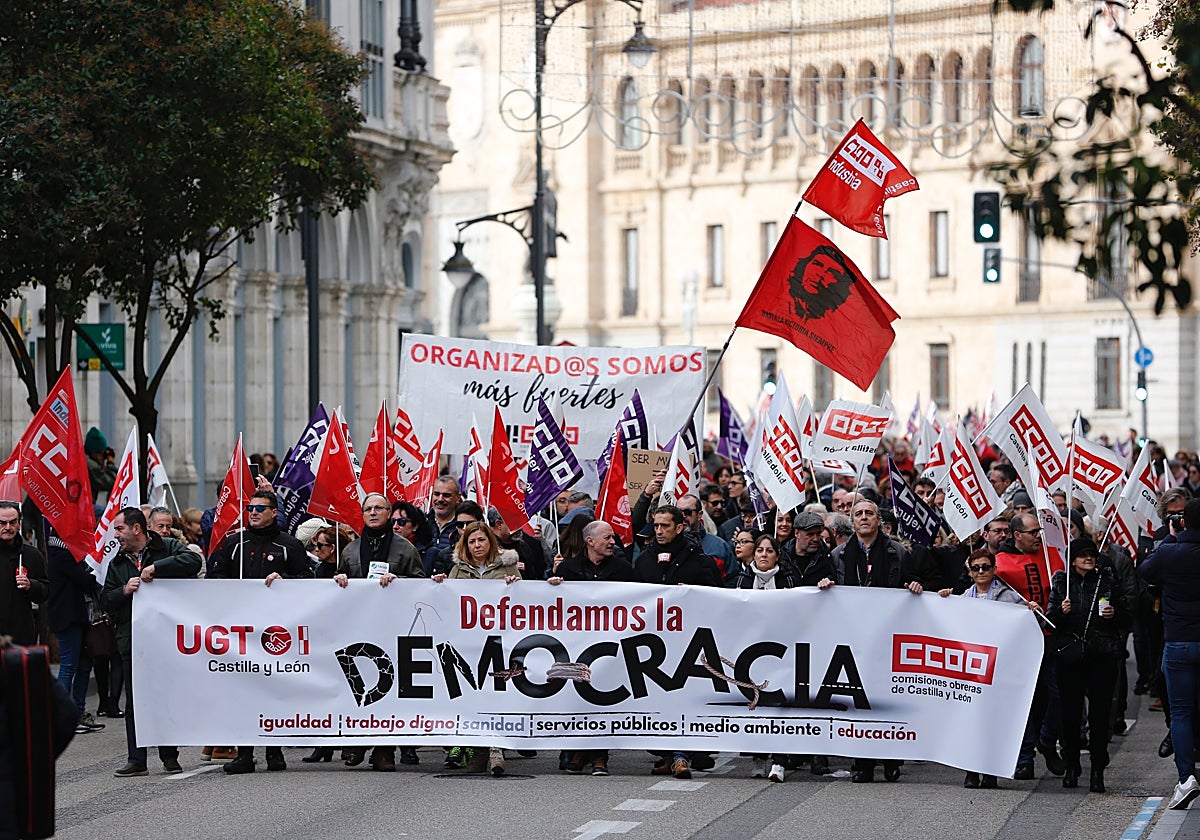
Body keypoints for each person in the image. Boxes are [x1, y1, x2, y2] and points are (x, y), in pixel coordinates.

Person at [211, 490, 312, 774]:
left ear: (274, 512)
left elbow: (308, 579)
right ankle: (244, 752)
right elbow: (214, 578)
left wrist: (285, 580)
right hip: (241, 630)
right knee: (244, 690)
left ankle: (274, 750)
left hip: (276, 632)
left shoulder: (288, 545)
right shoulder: (234, 543)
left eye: (259, 508)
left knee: (273, 688)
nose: (253, 512)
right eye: (250, 507)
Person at [100, 507, 201, 777]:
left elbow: (192, 562)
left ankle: (169, 756)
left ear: (137, 528)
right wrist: (124, 590)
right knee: (135, 702)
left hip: (167, 640)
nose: (116, 534)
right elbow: (105, 600)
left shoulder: (166, 547)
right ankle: (137, 759)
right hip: (133, 641)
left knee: (164, 696)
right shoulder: (118, 563)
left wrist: (156, 568)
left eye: (120, 528)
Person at [829, 498, 922, 783]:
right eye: (859, 514)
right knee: (860, 700)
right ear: (852, 521)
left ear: (879, 521)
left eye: (869, 513)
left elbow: (911, 581)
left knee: (887, 698)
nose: (864, 518)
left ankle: (891, 759)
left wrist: (915, 585)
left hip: (888, 636)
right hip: (855, 638)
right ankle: (863, 763)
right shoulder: (839, 555)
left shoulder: (896, 552)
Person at [331, 493, 425, 771]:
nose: (373, 513)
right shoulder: (350, 550)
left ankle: (385, 749)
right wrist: (339, 579)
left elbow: (422, 585)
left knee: (387, 685)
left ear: (389, 514)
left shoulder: (405, 549)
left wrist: (400, 581)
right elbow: (335, 584)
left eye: (378, 508)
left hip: (392, 627)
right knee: (358, 681)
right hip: (358, 627)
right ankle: (358, 739)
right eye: (368, 509)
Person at [635, 506, 723, 778]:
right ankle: (667, 753)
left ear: (679, 527)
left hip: (689, 644)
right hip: (655, 644)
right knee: (657, 700)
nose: (659, 531)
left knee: (684, 698)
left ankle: (682, 755)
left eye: (665, 526)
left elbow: (716, 597)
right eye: (656, 525)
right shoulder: (645, 560)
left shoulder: (698, 560)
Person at [938, 548, 1033, 788]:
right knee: (970, 721)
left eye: (986, 567)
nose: (981, 572)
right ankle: (971, 770)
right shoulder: (962, 599)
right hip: (970, 671)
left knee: (992, 722)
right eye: (976, 568)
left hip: (997, 670)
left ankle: (990, 771)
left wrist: (1031, 611)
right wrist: (944, 600)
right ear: (969, 572)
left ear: (994, 569)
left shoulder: (1010, 597)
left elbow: (1025, 627)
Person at [432, 522, 519, 775]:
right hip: (469, 643)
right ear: (465, 545)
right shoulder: (458, 570)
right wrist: (440, 584)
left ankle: (496, 748)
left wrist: (514, 584)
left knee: (497, 693)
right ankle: (477, 751)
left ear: (490, 542)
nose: (477, 545)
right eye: (471, 542)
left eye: (481, 540)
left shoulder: (508, 565)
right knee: (473, 694)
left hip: (499, 641)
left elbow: (523, 601)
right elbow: (448, 603)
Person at [548, 519, 633, 775]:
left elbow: (643, 596)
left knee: (602, 697)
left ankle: (599, 756)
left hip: (608, 646)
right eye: (607, 537)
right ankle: (578, 749)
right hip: (576, 644)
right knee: (576, 697)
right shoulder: (570, 568)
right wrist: (551, 582)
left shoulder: (623, 568)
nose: (612, 542)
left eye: (613, 537)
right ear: (590, 541)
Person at [1047, 538, 1126, 793]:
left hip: (1102, 655)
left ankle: (1097, 770)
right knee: (1070, 715)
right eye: (1082, 555)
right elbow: (1049, 622)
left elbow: (1128, 614)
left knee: (1100, 716)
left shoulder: (1107, 581)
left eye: (1091, 554)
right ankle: (1072, 765)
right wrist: (1061, 611)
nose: (1088, 559)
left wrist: (1115, 615)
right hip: (1070, 657)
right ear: (1072, 559)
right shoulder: (1061, 582)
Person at [995, 511, 1066, 780]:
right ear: (1017, 536)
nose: (1039, 536)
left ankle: (1047, 741)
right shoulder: (999, 563)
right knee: (1021, 702)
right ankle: (1024, 758)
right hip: (1019, 643)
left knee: (1058, 695)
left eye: (1040, 531)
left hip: (1051, 638)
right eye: (1033, 532)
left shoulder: (1051, 554)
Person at [1139, 498, 1200, 809]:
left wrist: (1173, 538)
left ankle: (1185, 777)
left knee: (1181, 713)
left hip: (1178, 642)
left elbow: (1145, 571)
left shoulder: (1169, 551)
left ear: (1183, 522)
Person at [44, 526, 104, 735]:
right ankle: (61, 715)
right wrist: (96, 569)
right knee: (69, 665)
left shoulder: (68, 554)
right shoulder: (61, 554)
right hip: (68, 618)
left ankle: (78, 712)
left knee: (85, 664)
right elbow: (86, 581)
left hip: (79, 617)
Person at [0, 501, 48, 646]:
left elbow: (45, 591)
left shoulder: (32, 555)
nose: (8, 527)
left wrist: (31, 585)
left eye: (12, 522)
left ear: (19, 524)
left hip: (21, 636)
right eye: (2, 523)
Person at [679, 494, 735, 579]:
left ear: (699, 515)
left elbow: (732, 579)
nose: (683, 516)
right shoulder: (668, 543)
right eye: (678, 512)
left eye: (687, 512)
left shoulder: (719, 546)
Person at [422, 476, 462, 574]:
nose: (440, 499)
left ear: (457, 498)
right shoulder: (422, 523)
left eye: (446, 495)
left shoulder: (463, 526)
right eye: (436, 494)